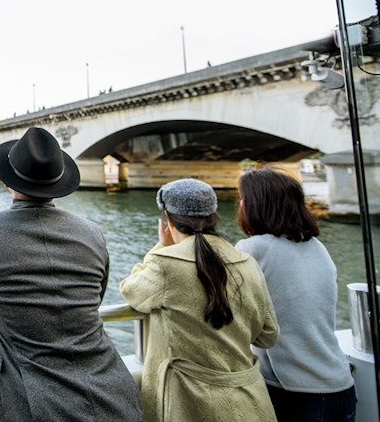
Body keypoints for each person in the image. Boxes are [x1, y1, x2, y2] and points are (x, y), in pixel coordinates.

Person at [0, 127, 143, 421]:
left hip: (32, 402)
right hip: (114, 392)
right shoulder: (91, 233)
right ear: (57, 182)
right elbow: (93, 298)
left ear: (8, 181)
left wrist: (1, 305)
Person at [119, 178, 279, 422]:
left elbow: (131, 290)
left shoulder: (166, 264)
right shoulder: (247, 262)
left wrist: (161, 246)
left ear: (167, 218)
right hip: (250, 401)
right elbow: (268, 335)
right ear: (213, 216)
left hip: (187, 403)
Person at [236, 167, 356, 421]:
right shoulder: (316, 246)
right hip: (340, 383)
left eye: (242, 198)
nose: (240, 205)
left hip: (294, 391)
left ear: (255, 204)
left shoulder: (254, 248)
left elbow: (230, 307)